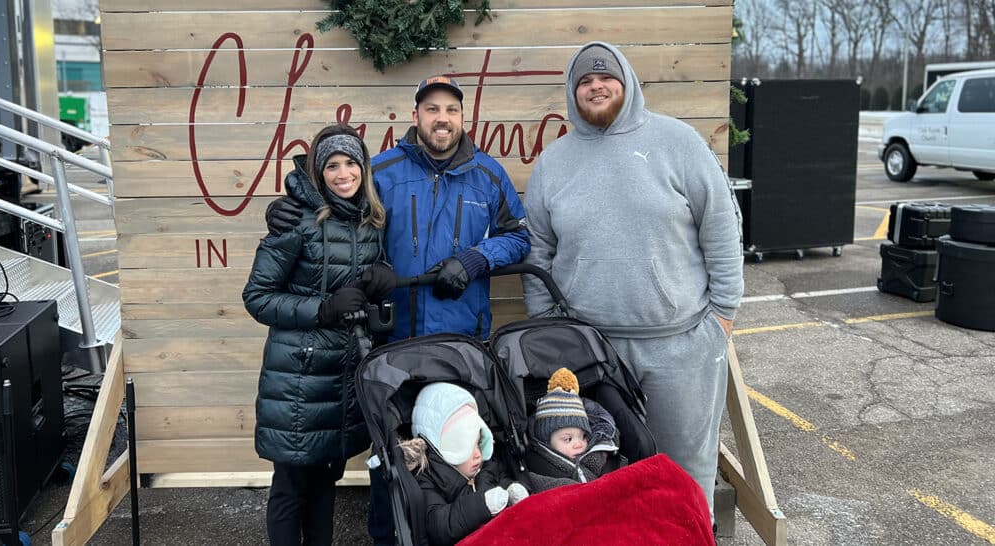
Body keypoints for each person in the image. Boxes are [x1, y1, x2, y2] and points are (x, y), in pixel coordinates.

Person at [266, 75, 531, 544]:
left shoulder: (488, 175)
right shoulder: (384, 170)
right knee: (392, 452)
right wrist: (285, 210)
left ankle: (458, 531)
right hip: (392, 339)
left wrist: (476, 259)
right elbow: (337, 211)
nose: (442, 118)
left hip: (460, 343)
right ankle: (386, 537)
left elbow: (519, 237)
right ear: (416, 116)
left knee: (458, 445)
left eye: (451, 109)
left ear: (463, 116)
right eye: (432, 109)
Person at [521, 41, 744, 521]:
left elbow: (722, 230)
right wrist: (548, 329)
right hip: (590, 353)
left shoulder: (679, 143)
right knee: (601, 476)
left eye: (606, 77)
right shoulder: (553, 163)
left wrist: (722, 317)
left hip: (680, 346)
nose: (596, 87)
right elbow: (537, 252)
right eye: (585, 80)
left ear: (627, 83)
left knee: (685, 475)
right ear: (572, 92)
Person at [242, 124, 395, 546]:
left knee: (326, 483)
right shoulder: (297, 221)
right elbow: (257, 297)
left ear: (364, 168)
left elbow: (357, 284)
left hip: (342, 378)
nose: (343, 174)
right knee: (291, 487)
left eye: (351, 163)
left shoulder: (371, 221)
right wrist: (322, 309)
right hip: (298, 379)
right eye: (332, 166)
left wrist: (381, 274)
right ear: (318, 172)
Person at [398, 383, 529, 546]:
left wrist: (511, 489)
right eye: (467, 446)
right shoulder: (428, 479)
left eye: (479, 443)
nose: (478, 454)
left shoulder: (487, 465)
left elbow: (501, 479)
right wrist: (482, 504)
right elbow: (439, 526)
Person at [525, 368, 622, 492]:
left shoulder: (602, 456)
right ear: (546, 442)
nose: (579, 444)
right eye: (568, 439)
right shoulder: (539, 468)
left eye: (584, 436)